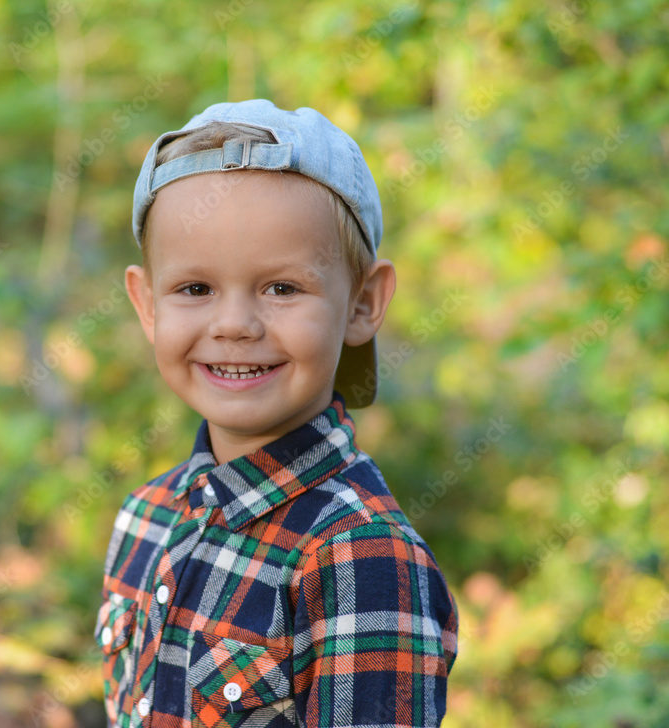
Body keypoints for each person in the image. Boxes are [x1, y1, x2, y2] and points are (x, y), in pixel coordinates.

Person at [95, 99, 458, 727]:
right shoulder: (145, 517)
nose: (234, 325)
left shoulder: (358, 557)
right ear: (147, 303)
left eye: (282, 288)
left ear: (362, 303)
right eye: (195, 289)